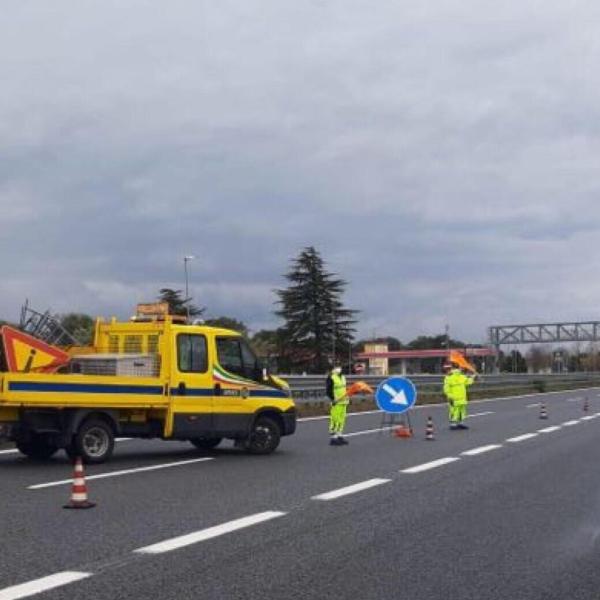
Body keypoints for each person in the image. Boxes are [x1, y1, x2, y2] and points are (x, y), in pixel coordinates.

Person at [443, 362, 476, 430]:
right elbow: (468, 382)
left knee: (454, 411)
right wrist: (473, 377)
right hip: (461, 397)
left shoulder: (449, 377)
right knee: (461, 411)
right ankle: (460, 423)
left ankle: (454, 424)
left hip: (454, 398)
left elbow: (446, 389)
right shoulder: (462, 376)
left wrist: (449, 396)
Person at [326, 362, 349, 445]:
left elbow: (344, 388)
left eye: (339, 366)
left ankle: (339, 436)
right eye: (336, 367)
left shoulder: (343, 377)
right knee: (335, 419)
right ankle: (333, 438)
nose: (339, 368)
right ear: (333, 368)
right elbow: (328, 391)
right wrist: (333, 399)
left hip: (344, 401)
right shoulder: (331, 377)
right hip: (336, 402)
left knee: (342, 420)